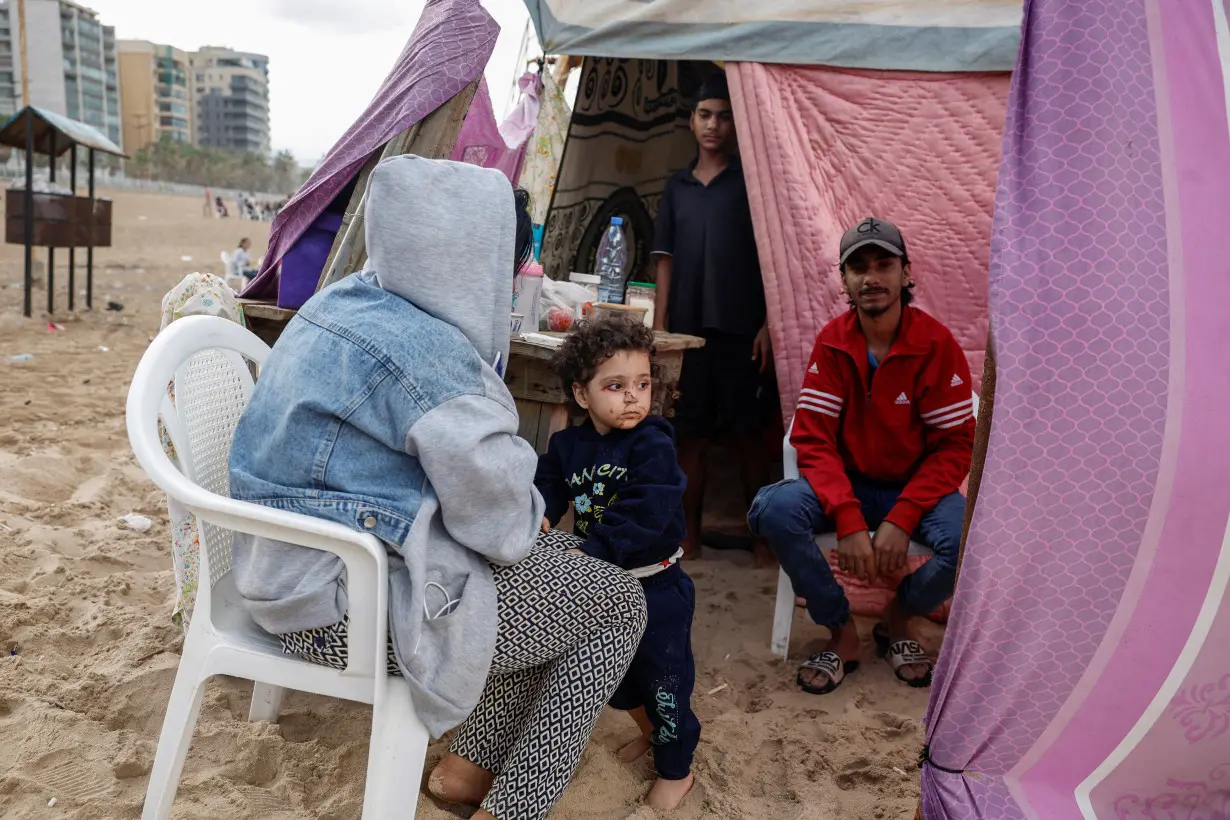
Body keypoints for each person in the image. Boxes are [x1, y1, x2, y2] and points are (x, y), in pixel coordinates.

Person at [228, 155, 647, 820]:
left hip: (276, 571)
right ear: (477, 259)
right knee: (617, 603)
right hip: (341, 609)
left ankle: (467, 770)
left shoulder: (339, 302)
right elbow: (505, 531)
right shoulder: (435, 361)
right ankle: (512, 808)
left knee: (562, 572)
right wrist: (529, 506)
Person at [748, 217, 974, 694]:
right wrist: (848, 518)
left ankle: (900, 616)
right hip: (844, 485)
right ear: (845, 279)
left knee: (973, 538)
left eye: (883, 264)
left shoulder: (936, 345)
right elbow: (812, 439)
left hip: (915, 489)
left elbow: (955, 444)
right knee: (774, 508)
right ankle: (841, 631)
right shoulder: (833, 343)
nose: (871, 277)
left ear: (906, 274)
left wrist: (904, 514)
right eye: (859, 267)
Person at [534, 316, 699, 811]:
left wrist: (594, 550)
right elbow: (548, 485)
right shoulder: (568, 446)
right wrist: (539, 512)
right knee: (617, 684)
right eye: (616, 385)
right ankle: (650, 733)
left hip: (656, 587)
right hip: (603, 588)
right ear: (582, 395)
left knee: (666, 682)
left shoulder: (654, 442)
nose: (633, 397)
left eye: (643, 384)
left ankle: (677, 769)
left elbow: (648, 510)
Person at [651, 72, 772, 564]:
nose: (714, 125)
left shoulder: (751, 185)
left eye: (724, 116)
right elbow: (665, 261)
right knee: (690, 439)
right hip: (686, 333)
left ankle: (765, 540)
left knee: (750, 438)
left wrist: (769, 324)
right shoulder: (676, 188)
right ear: (691, 122)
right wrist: (660, 332)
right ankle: (689, 539)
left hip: (743, 332)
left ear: (735, 125)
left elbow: (770, 259)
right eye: (705, 114)